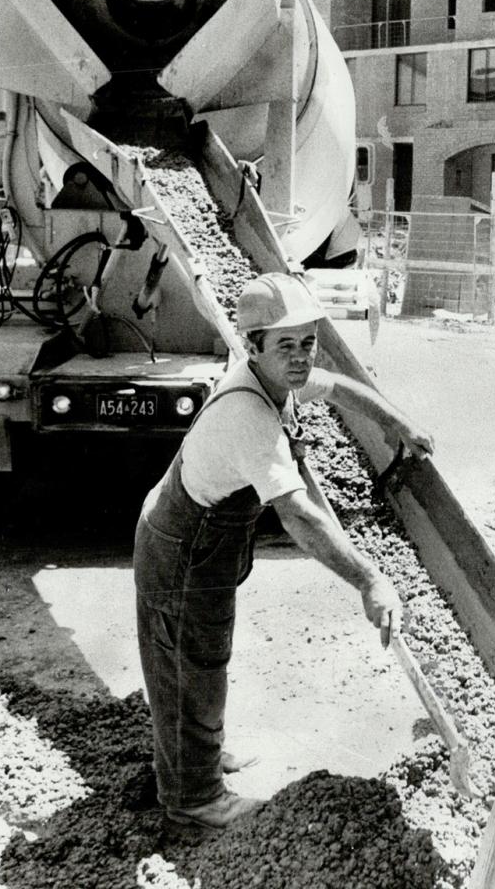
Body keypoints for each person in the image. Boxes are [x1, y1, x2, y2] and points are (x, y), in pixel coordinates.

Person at [134, 271, 433, 830]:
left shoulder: (277, 374)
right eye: (286, 346)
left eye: (308, 342)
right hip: (182, 545)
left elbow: (341, 388)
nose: (300, 358)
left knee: (203, 654)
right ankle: (192, 798)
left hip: (204, 538)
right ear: (254, 347)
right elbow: (296, 513)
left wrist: (399, 422)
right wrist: (370, 579)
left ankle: (193, 752)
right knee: (187, 657)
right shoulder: (247, 412)